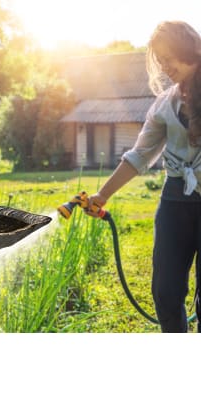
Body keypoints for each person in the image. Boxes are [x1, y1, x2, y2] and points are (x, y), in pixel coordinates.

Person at [87, 20, 201, 333]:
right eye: (160, 60)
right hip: (175, 202)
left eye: (170, 57)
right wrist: (102, 195)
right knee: (165, 292)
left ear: (190, 50)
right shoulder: (164, 104)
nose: (165, 66)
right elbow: (140, 155)